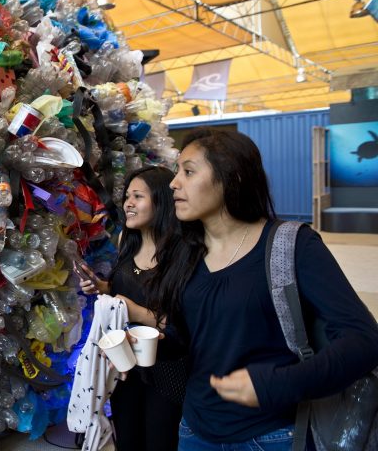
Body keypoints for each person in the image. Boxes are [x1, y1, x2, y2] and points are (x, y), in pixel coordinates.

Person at [166, 127, 378, 450]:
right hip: (195, 431)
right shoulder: (185, 250)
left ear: (232, 177)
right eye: (177, 171)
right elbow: (191, 336)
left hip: (272, 435)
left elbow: (364, 339)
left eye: (189, 171)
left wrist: (278, 384)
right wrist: (150, 343)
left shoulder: (292, 245)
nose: (174, 182)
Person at [78, 166, 190, 451]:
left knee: (160, 442)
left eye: (138, 196)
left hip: (167, 368)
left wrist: (135, 311)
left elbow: (184, 325)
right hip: (126, 363)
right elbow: (126, 289)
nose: (128, 203)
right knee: (127, 440)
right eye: (127, 196)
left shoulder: (183, 252)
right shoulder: (126, 241)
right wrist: (103, 288)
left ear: (162, 201)